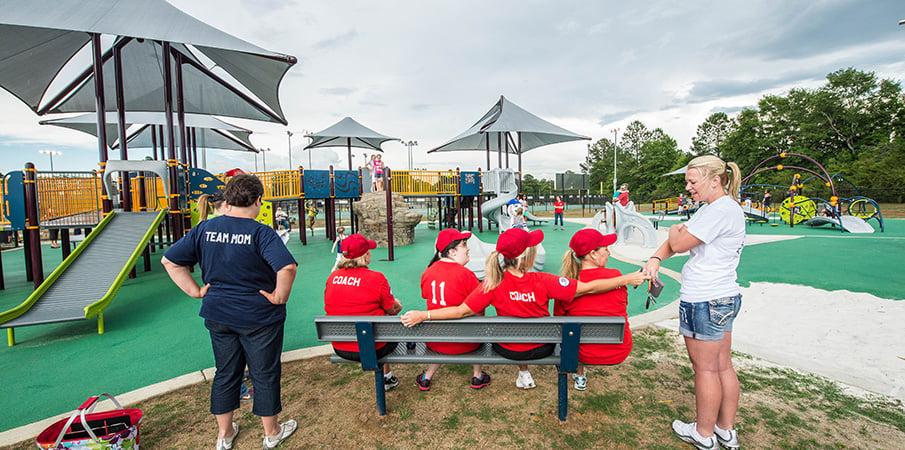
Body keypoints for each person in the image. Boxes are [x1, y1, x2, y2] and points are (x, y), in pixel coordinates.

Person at [401, 228, 648, 390]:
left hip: (507, 349)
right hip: (541, 348)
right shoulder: (545, 281)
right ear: (525, 257)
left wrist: (425, 314)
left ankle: (523, 374)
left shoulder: (491, 283)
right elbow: (588, 288)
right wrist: (625, 279)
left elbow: (461, 311)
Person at [161, 174, 298, 450]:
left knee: (225, 371)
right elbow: (287, 267)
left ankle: (224, 433)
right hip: (259, 316)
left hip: (219, 313)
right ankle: (271, 432)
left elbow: (170, 260)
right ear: (258, 200)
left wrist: (195, 291)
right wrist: (279, 296)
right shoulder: (260, 232)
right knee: (264, 372)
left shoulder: (205, 229)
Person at [642, 155, 745, 450]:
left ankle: (703, 433)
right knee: (722, 365)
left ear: (715, 180)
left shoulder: (718, 211)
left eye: (692, 181)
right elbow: (674, 243)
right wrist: (655, 258)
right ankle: (725, 430)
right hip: (721, 297)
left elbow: (678, 241)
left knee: (707, 369)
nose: (687, 187)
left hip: (705, 300)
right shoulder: (715, 208)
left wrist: (674, 231)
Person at [556, 229, 636, 391]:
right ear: (593, 254)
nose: (609, 253)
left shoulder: (567, 283)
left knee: (571, 332)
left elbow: (558, 316)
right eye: (606, 249)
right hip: (618, 349)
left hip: (581, 353)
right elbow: (622, 305)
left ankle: (579, 374)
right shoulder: (616, 277)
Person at [324, 233, 403, 391]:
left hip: (341, 346)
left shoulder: (332, 277)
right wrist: (398, 305)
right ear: (365, 256)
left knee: (376, 320)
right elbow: (392, 309)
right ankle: (386, 377)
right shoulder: (376, 278)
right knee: (385, 321)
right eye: (369, 251)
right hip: (375, 346)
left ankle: (387, 377)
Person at [415, 229, 491, 391]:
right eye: (464, 245)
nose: (468, 249)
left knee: (443, 327)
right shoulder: (467, 275)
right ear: (452, 252)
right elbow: (480, 309)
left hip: (435, 341)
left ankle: (427, 376)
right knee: (477, 321)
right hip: (467, 343)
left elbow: (425, 296)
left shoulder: (427, 272)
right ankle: (477, 375)